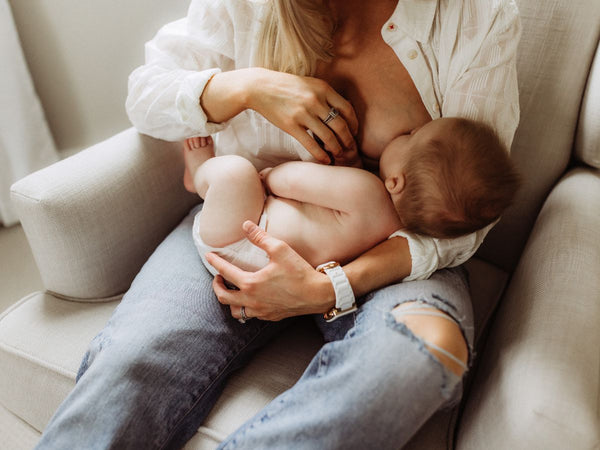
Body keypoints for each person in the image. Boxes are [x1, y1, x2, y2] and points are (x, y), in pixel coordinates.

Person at [35, 0, 522, 448]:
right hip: (246, 222)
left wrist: (332, 285)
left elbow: (471, 211)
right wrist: (247, 88)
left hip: (398, 255)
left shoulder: (475, 16)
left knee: (415, 357)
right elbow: (145, 92)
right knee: (132, 360)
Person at [184, 117, 519, 299]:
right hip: (272, 277)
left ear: (395, 182)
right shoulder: (394, 235)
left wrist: (270, 177)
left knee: (235, 173)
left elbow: (293, 180)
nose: (410, 128)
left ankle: (198, 172)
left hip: (241, 241)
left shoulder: (367, 191)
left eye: (413, 136)